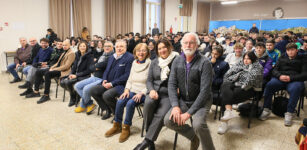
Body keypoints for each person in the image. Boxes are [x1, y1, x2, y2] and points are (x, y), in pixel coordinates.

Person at [163, 33, 215, 150]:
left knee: (198, 124)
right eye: (185, 43)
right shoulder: (177, 61)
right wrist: (175, 106)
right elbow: (171, 84)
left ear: (197, 45)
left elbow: (205, 91)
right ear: (181, 46)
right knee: (168, 121)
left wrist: (188, 113)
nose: (188, 45)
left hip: (201, 101)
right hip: (184, 100)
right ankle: (193, 137)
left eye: (191, 43)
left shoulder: (204, 62)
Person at [134, 38, 179, 150]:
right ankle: (151, 140)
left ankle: (147, 141)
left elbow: (182, 79)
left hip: (169, 94)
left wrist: (179, 89)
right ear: (157, 50)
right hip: (154, 91)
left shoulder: (177, 60)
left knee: (160, 113)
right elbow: (149, 80)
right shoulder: (155, 61)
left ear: (169, 47)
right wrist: (152, 90)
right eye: (159, 48)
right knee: (148, 105)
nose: (162, 50)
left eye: (164, 47)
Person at [105, 43, 151, 143]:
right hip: (132, 90)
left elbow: (151, 83)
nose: (141, 53)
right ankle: (117, 125)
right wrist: (126, 90)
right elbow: (130, 79)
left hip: (143, 93)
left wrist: (141, 93)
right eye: (139, 50)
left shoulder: (150, 64)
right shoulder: (134, 62)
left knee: (130, 103)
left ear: (147, 52)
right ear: (135, 52)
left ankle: (126, 127)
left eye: (143, 50)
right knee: (120, 100)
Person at [259, 43, 307, 126]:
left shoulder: (303, 59)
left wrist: (290, 78)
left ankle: (289, 113)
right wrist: (279, 76)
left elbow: (304, 74)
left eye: (292, 50)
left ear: (296, 50)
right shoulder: (282, 57)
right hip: (280, 78)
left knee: (296, 89)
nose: (290, 52)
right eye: (288, 50)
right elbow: (274, 70)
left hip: (294, 79)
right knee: (269, 85)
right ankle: (266, 109)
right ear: (286, 51)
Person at [217, 51, 263, 134]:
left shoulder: (258, 67)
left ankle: (224, 123)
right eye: (244, 58)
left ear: (253, 59)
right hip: (235, 83)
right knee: (225, 85)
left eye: (248, 59)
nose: (245, 60)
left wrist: (239, 76)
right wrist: (239, 74)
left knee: (225, 95)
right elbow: (227, 74)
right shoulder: (240, 63)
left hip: (248, 88)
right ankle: (228, 112)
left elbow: (250, 81)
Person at [89, 40, 134, 120]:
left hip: (121, 85)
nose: (119, 48)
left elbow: (127, 75)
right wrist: (104, 79)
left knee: (107, 95)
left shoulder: (129, 58)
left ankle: (117, 113)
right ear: (114, 48)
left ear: (126, 47)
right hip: (108, 83)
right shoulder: (112, 57)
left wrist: (112, 84)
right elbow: (107, 70)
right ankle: (107, 109)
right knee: (93, 90)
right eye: (117, 47)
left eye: (121, 46)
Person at [25, 40, 76, 104]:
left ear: (69, 45)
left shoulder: (71, 53)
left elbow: (66, 66)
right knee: (38, 71)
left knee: (47, 74)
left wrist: (55, 69)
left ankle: (46, 95)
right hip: (58, 68)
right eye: (63, 45)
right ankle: (36, 92)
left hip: (64, 71)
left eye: (66, 45)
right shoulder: (64, 52)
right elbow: (58, 63)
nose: (64, 46)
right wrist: (52, 67)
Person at [74, 41, 114, 115]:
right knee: (77, 86)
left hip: (102, 78)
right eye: (105, 46)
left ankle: (83, 105)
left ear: (112, 47)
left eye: (109, 46)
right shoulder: (102, 55)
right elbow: (92, 67)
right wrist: (97, 66)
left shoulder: (112, 57)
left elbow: (101, 65)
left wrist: (97, 65)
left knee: (86, 88)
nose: (107, 47)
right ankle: (89, 104)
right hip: (95, 76)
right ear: (103, 47)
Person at [60, 41, 94, 107]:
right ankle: (74, 95)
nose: (82, 47)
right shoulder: (77, 54)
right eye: (81, 46)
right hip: (76, 74)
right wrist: (71, 73)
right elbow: (74, 66)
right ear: (78, 47)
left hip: (85, 76)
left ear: (86, 47)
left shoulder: (90, 56)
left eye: (84, 46)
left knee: (68, 83)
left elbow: (89, 70)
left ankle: (73, 98)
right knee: (62, 82)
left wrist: (76, 75)